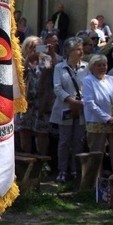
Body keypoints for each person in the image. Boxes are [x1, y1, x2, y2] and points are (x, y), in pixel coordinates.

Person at [50, 37, 88, 183]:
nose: (81, 51)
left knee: (78, 140)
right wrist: (71, 101)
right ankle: (62, 170)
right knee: (64, 140)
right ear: (68, 51)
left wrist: (81, 103)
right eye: (78, 49)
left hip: (82, 108)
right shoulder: (60, 68)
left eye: (81, 48)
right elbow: (57, 88)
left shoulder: (86, 67)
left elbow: (90, 87)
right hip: (65, 108)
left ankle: (75, 170)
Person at [83, 55, 113, 173]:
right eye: (98, 65)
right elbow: (90, 103)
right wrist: (107, 118)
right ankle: (98, 184)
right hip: (98, 123)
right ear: (92, 67)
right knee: (97, 155)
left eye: (104, 65)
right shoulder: (88, 81)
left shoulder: (111, 79)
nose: (102, 67)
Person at [15, 37, 55, 157]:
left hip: (42, 101)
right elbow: (19, 76)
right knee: (24, 131)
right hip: (25, 101)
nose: (34, 50)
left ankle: (42, 160)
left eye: (37, 46)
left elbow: (53, 71)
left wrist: (52, 55)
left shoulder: (45, 59)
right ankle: (26, 158)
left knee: (42, 132)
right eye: (31, 47)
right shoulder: (20, 60)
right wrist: (28, 59)